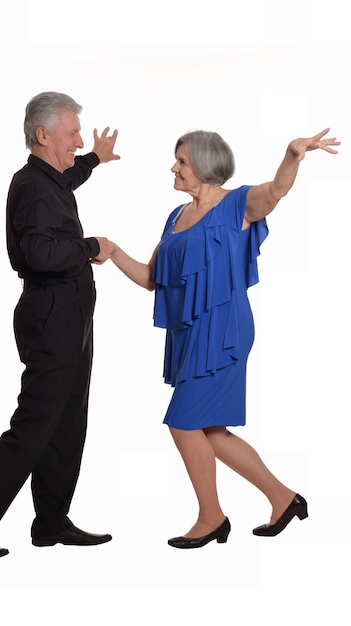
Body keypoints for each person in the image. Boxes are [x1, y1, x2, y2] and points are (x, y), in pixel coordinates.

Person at [107, 127, 340, 548]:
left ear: (204, 165)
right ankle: (284, 498)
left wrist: (291, 155)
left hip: (224, 330)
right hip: (189, 332)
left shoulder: (237, 203)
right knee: (210, 431)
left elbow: (276, 192)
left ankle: (212, 517)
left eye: (181, 161)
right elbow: (151, 279)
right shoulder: (175, 218)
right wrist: (112, 251)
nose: (173, 168)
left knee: (182, 423)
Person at [0, 91, 119, 558]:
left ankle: (52, 522)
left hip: (72, 313)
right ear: (43, 135)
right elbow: (40, 254)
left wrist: (95, 160)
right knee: (36, 423)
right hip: (52, 313)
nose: (79, 141)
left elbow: (69, 178)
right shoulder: (33, 186)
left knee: (68, 422)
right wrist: (90, 246)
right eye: (73, 132)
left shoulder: (50, 178)